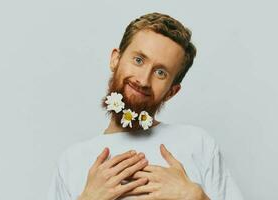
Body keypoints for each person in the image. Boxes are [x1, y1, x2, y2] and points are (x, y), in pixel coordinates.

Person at [47, 12, 244, 200]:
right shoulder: (72, 161)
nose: (143, 80)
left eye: (160, 73)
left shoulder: (198, 144)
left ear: (172, 92)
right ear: (115, 59)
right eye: (138, 60)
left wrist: (195, 197)